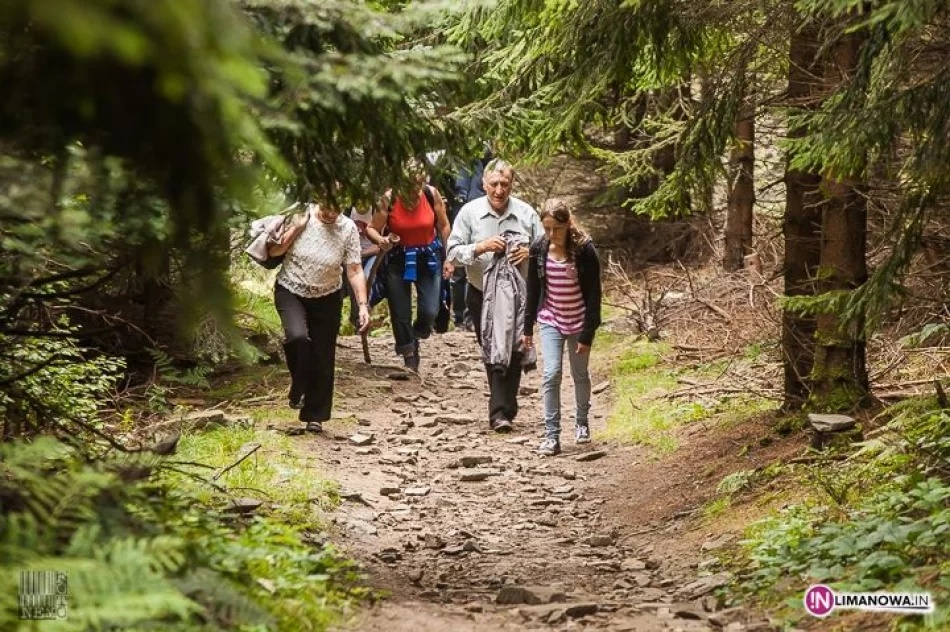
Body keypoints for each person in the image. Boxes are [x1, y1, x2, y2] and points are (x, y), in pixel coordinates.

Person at [447, 158, 543, 432]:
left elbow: (547, 245)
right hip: (481, 294)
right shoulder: (469, 213)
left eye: (505, 184)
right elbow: (452, 252)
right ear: (484, 184)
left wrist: (530, 252)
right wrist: (480, 247)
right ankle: (504, 407)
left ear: (512, 184)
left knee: (513, 347)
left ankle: (501, 411)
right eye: (494, 184)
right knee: (491, 346)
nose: (499, 190)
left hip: (518, 296)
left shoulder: (526, 213)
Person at [268, 200, 370, 433]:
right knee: (297, 338)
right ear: (319, 199)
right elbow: (274, 251)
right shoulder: (300, 214)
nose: (331, 213)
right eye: (327, 208)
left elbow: (354, 269)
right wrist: (296, 227)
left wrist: (363, 305)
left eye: (337, 208)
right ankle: (298, 388)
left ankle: (315, 415)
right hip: (291, 289)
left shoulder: (348, 228)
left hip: (327, 295)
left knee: (323, 355)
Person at [523, 200, 602, 455]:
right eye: (546, 228)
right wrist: (527, 329)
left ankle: (581, 422)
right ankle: (551, 435)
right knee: (551, 373)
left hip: (579, 320)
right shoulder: (539, 248)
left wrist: (588, 333)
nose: (551, 235)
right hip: (551, 319)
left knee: (579, 374)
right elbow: (533, 291)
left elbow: (594, 295)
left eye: (556, 229)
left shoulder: (584, 250)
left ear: (568, 224)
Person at [366, 161, 453, 370]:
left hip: (428, 257)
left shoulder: (431, 194)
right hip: (398, 258)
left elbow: (444, 225)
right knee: (400, 311)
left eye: (418, 183)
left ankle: (419, 332)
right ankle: (409, 356)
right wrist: (382, 241)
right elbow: (371, 228)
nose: (414, 188)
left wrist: (447, 256)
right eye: (409, 184)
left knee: (430, 310)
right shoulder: (389, 198)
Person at [449, 148, 493, 330]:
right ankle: (459, 317)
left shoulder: (484, 154)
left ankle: (470, 317)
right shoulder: (451, 154)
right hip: (457, 213)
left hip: (478, 216)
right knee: (459, 270)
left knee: (475, 263)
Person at [344, 205, 380, 331]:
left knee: (364, 279)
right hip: (351, 256)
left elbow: (380, 245)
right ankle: (357, 319)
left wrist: (360, 254)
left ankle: (363, 316)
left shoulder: (377, 210)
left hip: (372, 254)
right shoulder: (347, 211)